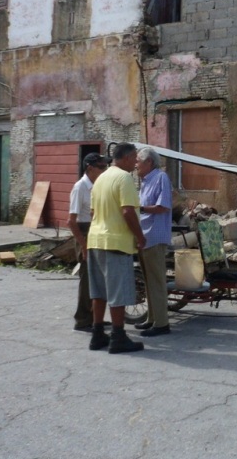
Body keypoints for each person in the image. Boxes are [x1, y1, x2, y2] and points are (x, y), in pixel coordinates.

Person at [86, 143, 146, 354]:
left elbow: (93, 213)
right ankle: (118, 336)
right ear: (128, 157)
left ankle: (97, 333)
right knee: (117, 292)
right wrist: (140, 236)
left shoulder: (100, 178)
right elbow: (128, 211)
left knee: (99, 291)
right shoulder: (124, 178)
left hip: (95, 239)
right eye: (135, 159)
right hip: (116, 242)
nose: (136, 163)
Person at [67, 152, 111, 332]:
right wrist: (83, 246)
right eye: (101, 167)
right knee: (86, 279)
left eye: (105, 166)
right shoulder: (80, 187)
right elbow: (71, 221)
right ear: (90, 168)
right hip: (83, 231)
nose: (104, 170)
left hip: (95, 230)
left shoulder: (98, 185)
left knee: (97, 278)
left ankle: (95, 317)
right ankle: (83, 319)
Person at [134, 147, 173, 337]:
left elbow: (162, 206)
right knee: (148, 281)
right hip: (143, 237)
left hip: (155, 237)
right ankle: (151, 318)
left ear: (149, 162)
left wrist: (139, 208)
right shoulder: (144, 181)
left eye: (138, 161)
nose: (136, 165)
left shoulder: (160, 178)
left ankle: (162, 323)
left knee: (157, 282)